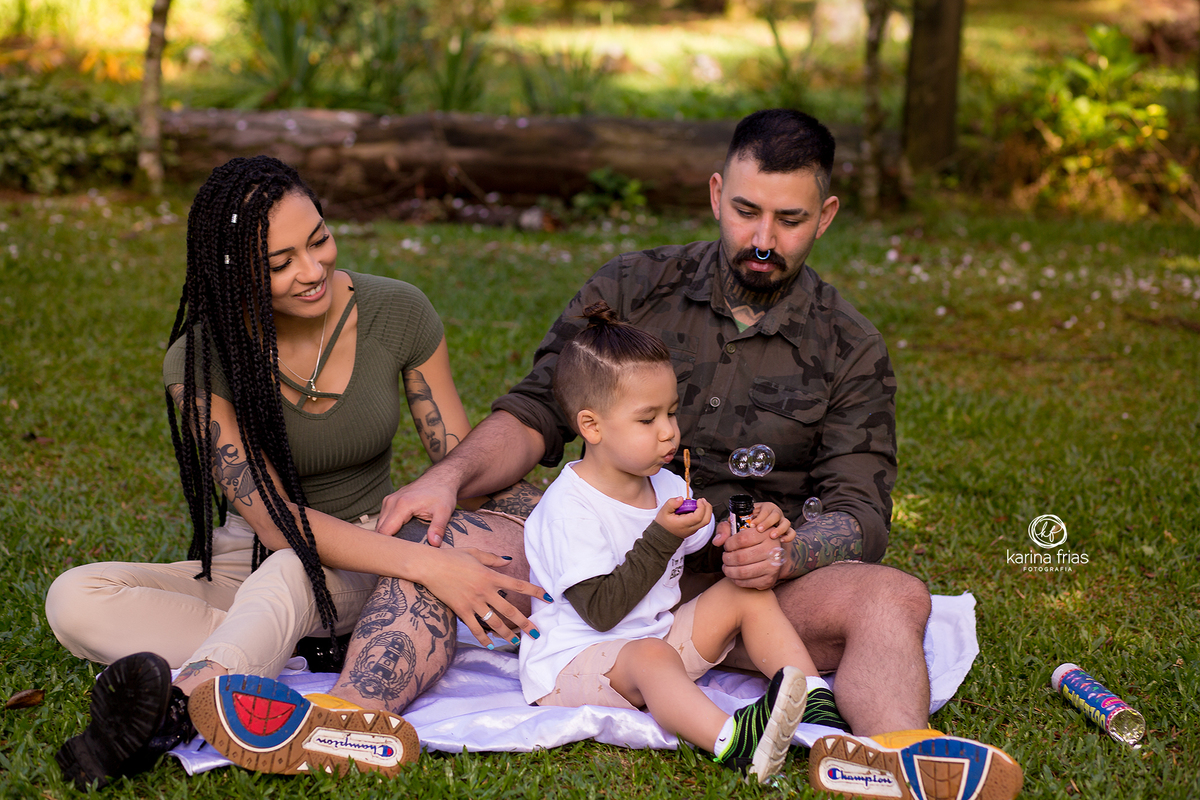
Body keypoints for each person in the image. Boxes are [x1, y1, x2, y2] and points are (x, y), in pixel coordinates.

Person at [343, 109, 1024, 800]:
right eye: (745, 210)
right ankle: (345, 719)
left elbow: (861, 512)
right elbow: (535, 412)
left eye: (789, 219)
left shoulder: (851, 346)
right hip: (604, 550)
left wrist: (786, 552)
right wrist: (449, 476)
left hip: (751, 586)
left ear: (826, 216)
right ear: (714, 194)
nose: (762, 239)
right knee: (436, 540)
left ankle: (896, 761)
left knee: (897, 598)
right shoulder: (634, 288)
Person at [44, 155, 545, 788]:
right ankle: (286, 653)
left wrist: (481, 532)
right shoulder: (199, 359)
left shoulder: (398, 312)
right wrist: (432, 569)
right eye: (279, 264)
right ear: (231, 275)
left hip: (362, 551)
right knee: (74, 597)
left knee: (288, 573)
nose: (312, 272)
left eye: (319, 241)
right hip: (244, 564)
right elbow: (277, 524)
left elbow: (459, 461)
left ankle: (177, 708)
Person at [518, 302, 850, 784]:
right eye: (647, 419)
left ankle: (812, 701)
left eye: (672, 412)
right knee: (651, 657)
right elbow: (602, 611)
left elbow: (701, 556)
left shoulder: (668, 484)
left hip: (652, 644)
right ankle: (735, 742)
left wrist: (742, 533)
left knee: (744, 593)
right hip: (575, 663)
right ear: (591, 426)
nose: (670, 431)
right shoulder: (569, 508)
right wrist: (658, 537)